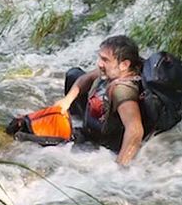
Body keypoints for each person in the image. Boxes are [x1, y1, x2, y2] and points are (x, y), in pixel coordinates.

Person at [55, 35, 146, 165]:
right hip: (92, 121)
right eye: (100, 57)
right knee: (73, 74)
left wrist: (120, 167)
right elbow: (85, 79)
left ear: (124, 65)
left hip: (101, 143)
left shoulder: (123, 90)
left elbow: (135, 130)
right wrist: (66, 101)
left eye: (105, 60)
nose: (99, 63)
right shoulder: (113, 71)